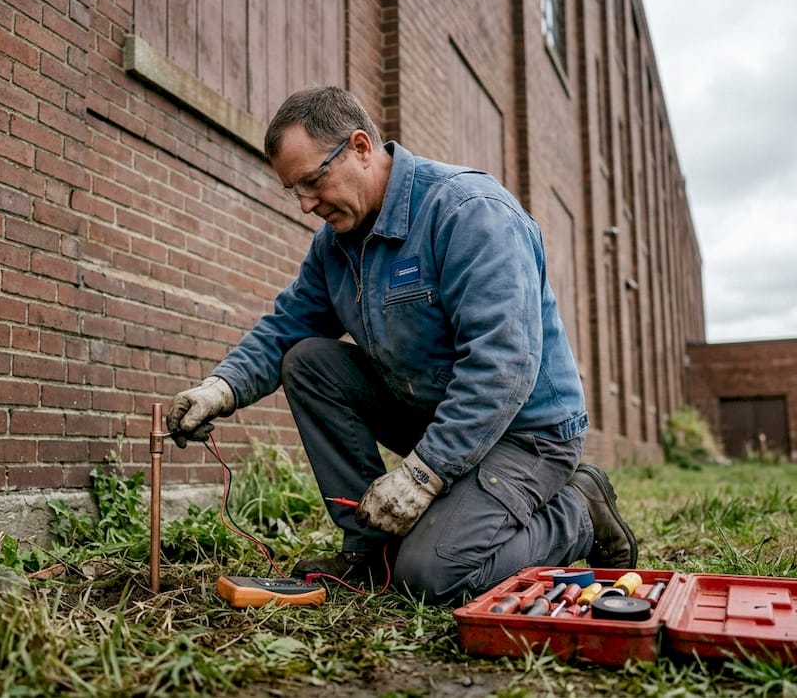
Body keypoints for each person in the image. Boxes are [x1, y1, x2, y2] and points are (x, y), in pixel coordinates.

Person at [166, 86, 636, 605]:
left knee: (432, 575)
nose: (304, 204)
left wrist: (423, 473)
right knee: (308, 361)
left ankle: (577, 512)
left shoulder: (468, 212)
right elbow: (288, 327)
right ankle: (369, 551)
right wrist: (220, 388)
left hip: (526, 432)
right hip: (441, 417)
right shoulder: (336, 245)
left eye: (312, 181)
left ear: (361, 147)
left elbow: (504, 365)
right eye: (293, 190)